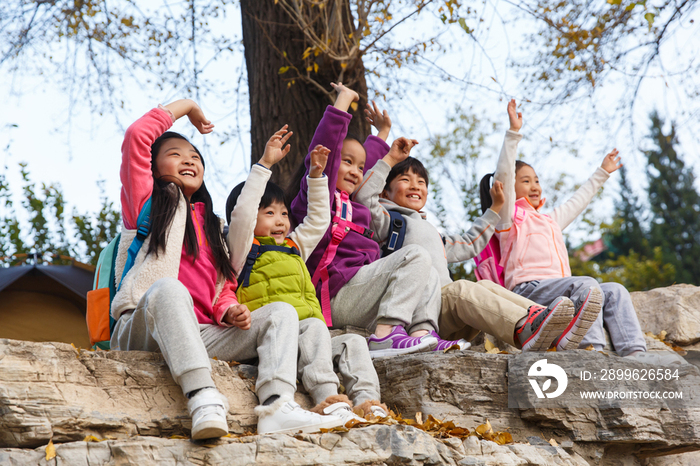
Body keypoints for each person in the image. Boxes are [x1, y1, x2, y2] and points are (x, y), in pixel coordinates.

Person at [110, 99, 343, 439]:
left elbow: (221, 287)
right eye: (175, 154)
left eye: (194, 156)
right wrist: (188, 106)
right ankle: (203, 396)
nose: (188, 159)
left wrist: (228, 309)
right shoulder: (148, 204)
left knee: (281, 313)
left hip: (199, 333)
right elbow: (136, 136)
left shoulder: (211, 229)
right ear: (152, 167)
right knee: (169, 289)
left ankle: (277, 406)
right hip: (143, 326)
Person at [289, 82, 466, 358]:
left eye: (360, 167)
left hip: (362, 292)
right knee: (416, 256)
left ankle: (421, 333)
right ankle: (385, 335)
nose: (356, 171)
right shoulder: (318, 196)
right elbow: (328, 147)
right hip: (334, 295)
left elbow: (368, 163)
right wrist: (343, 103)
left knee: (428, 268)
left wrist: (383, 133)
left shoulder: (355, 207)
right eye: (346, 163)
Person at [225, 126, 388, 423]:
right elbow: (243, 214)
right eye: (269, 213)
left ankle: (368, 403)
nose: (280, 221)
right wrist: (264, 166)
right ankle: (328, 398)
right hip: (276, 338)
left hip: (310, 339)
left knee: (352, 342)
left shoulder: (294, 247)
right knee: (314, 326)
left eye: (284, 213)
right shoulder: (242, 250)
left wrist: (315, 177)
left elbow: (317, 220)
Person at [354, 145, 587, 352]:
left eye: (421, 182)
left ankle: (552, 325)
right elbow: (364, 196)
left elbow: (470, 243)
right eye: (405, 179)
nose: (415, 185)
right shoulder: (388, 222)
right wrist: (390, 159)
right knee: (462, 290)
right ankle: (524, 328)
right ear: (385, 192)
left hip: (442, 314)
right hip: (412, 316)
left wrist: (494, 210)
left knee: (484, 286)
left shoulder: (434, 234)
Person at [480, 99, 656, 360]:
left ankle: (635, 353)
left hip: (563, 290)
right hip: (529, 289)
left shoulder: (551, 220)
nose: (535, 185)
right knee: (587, 284)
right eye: (526, 181)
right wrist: (513, 134)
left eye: (537, 180)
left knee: (615, 290)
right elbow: (504, 174)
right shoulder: (508, 219)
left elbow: (577, 201)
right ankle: (590, 350)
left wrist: (602, 173)